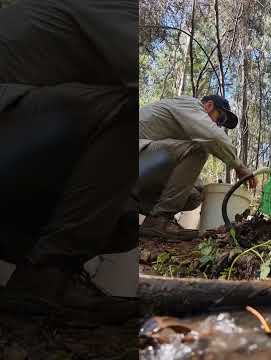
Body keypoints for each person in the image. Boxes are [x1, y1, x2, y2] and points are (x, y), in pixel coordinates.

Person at [0, 0, 138, 321]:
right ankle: (44, 274)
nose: (218, 126)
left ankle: (56, 273)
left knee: (124, 221)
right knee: (131, 110)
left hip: (21, 136)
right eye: (220, 118)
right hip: (11, 123)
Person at [137, 95, 257, 240]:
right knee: (200, 149)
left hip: (143, 166)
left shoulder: (182, 129)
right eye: (221, 119)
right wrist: (239, 166)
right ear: (209, 106)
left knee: (195, 195)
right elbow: (213, 137)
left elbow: (182, 175)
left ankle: (152, 217)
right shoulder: (191, 104)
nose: (218, 125)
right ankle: (159, 219)